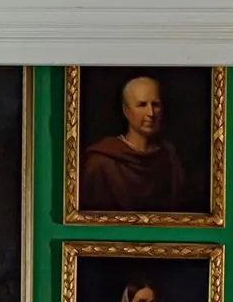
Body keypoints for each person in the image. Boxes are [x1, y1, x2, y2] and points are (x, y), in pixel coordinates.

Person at [79, 74, 188, 214]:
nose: (151, 113)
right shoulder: (100, 163)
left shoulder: (170, 157)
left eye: (156, 105)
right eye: (142, 105)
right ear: (126, 110)